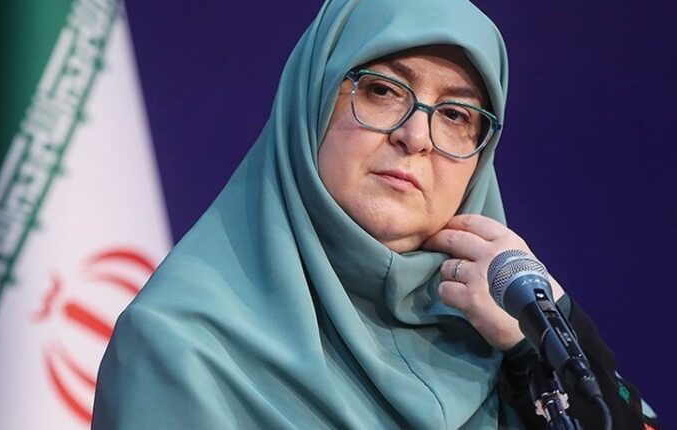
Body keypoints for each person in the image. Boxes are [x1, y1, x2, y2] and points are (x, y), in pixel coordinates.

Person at [92, 0, 659, 428]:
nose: (417, 136)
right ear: (312, 101)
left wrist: (539, 340)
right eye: (384, 90)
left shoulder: (516, 343)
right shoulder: (183, 348)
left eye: (457, 115)